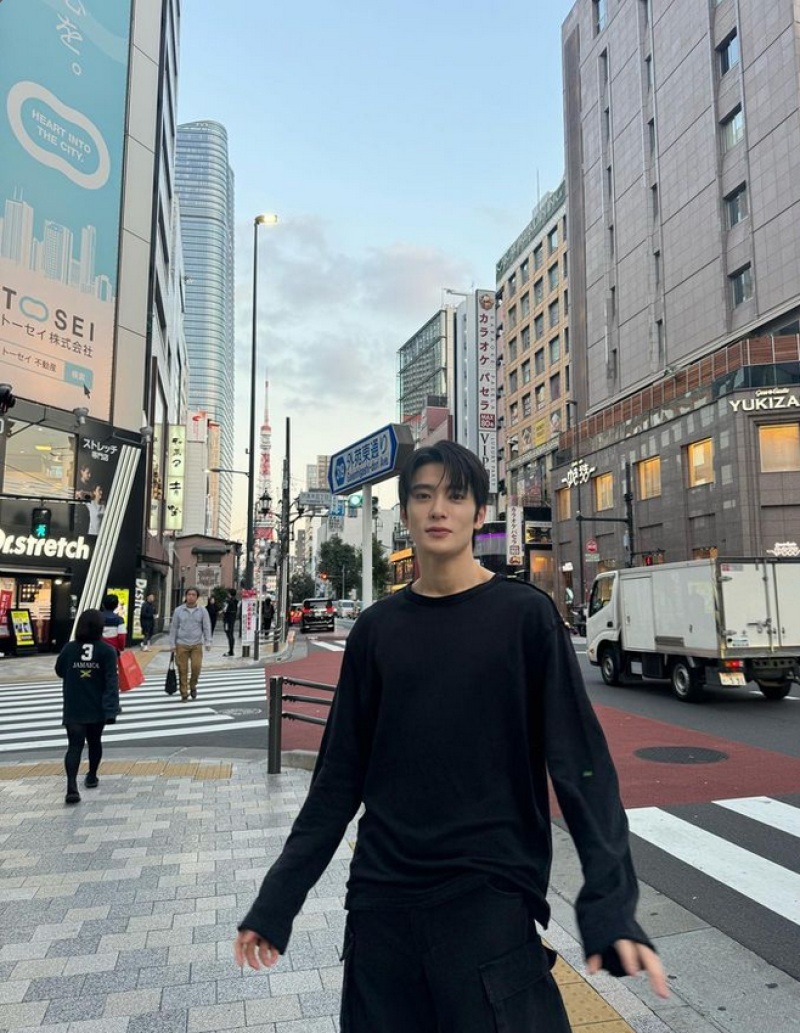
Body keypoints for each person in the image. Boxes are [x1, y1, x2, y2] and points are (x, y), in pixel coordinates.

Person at [234, 441, 667, 1032]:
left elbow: (582, 767)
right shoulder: (376, 630)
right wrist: (277, 900)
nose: (439, 508)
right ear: (407, 513)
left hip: (488, 902)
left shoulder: (525, 617)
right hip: (381, 908)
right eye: (423, 495)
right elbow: (337, 779)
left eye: (455, 496)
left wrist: (610, 905)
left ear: (479, 513)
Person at [56, 608, 119, 805]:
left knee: (74, 746)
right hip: (96, 706)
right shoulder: (107, 650)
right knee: (94, 742)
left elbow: (59, 670)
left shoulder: (69, 648)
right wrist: (111, 709)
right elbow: (111, 682)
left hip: (74, 705)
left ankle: (71, 787)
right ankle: (91, 775)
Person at [169, 588, 212, 701]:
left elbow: (207, 627)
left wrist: (208, 641)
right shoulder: (178, 610)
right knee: (182, 669)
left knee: (196, 667)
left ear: (197, 597)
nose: (191, 597)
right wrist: (172, 644)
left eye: (193, 595)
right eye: (189, 594)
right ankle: (184, 693)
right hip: (181, 644)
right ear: (186, 596)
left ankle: (193, 685)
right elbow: (173, 628)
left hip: (197, 644)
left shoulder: (202, 611)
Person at [223, 589, 238, 657]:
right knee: (231, 634)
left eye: (228, 593)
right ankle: (231, 651)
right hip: (232, 619)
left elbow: (225, 610)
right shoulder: (236, 601)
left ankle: (231, 651)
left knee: (229, 634)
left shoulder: (228, 601)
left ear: (230, 594)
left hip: (227, 620)